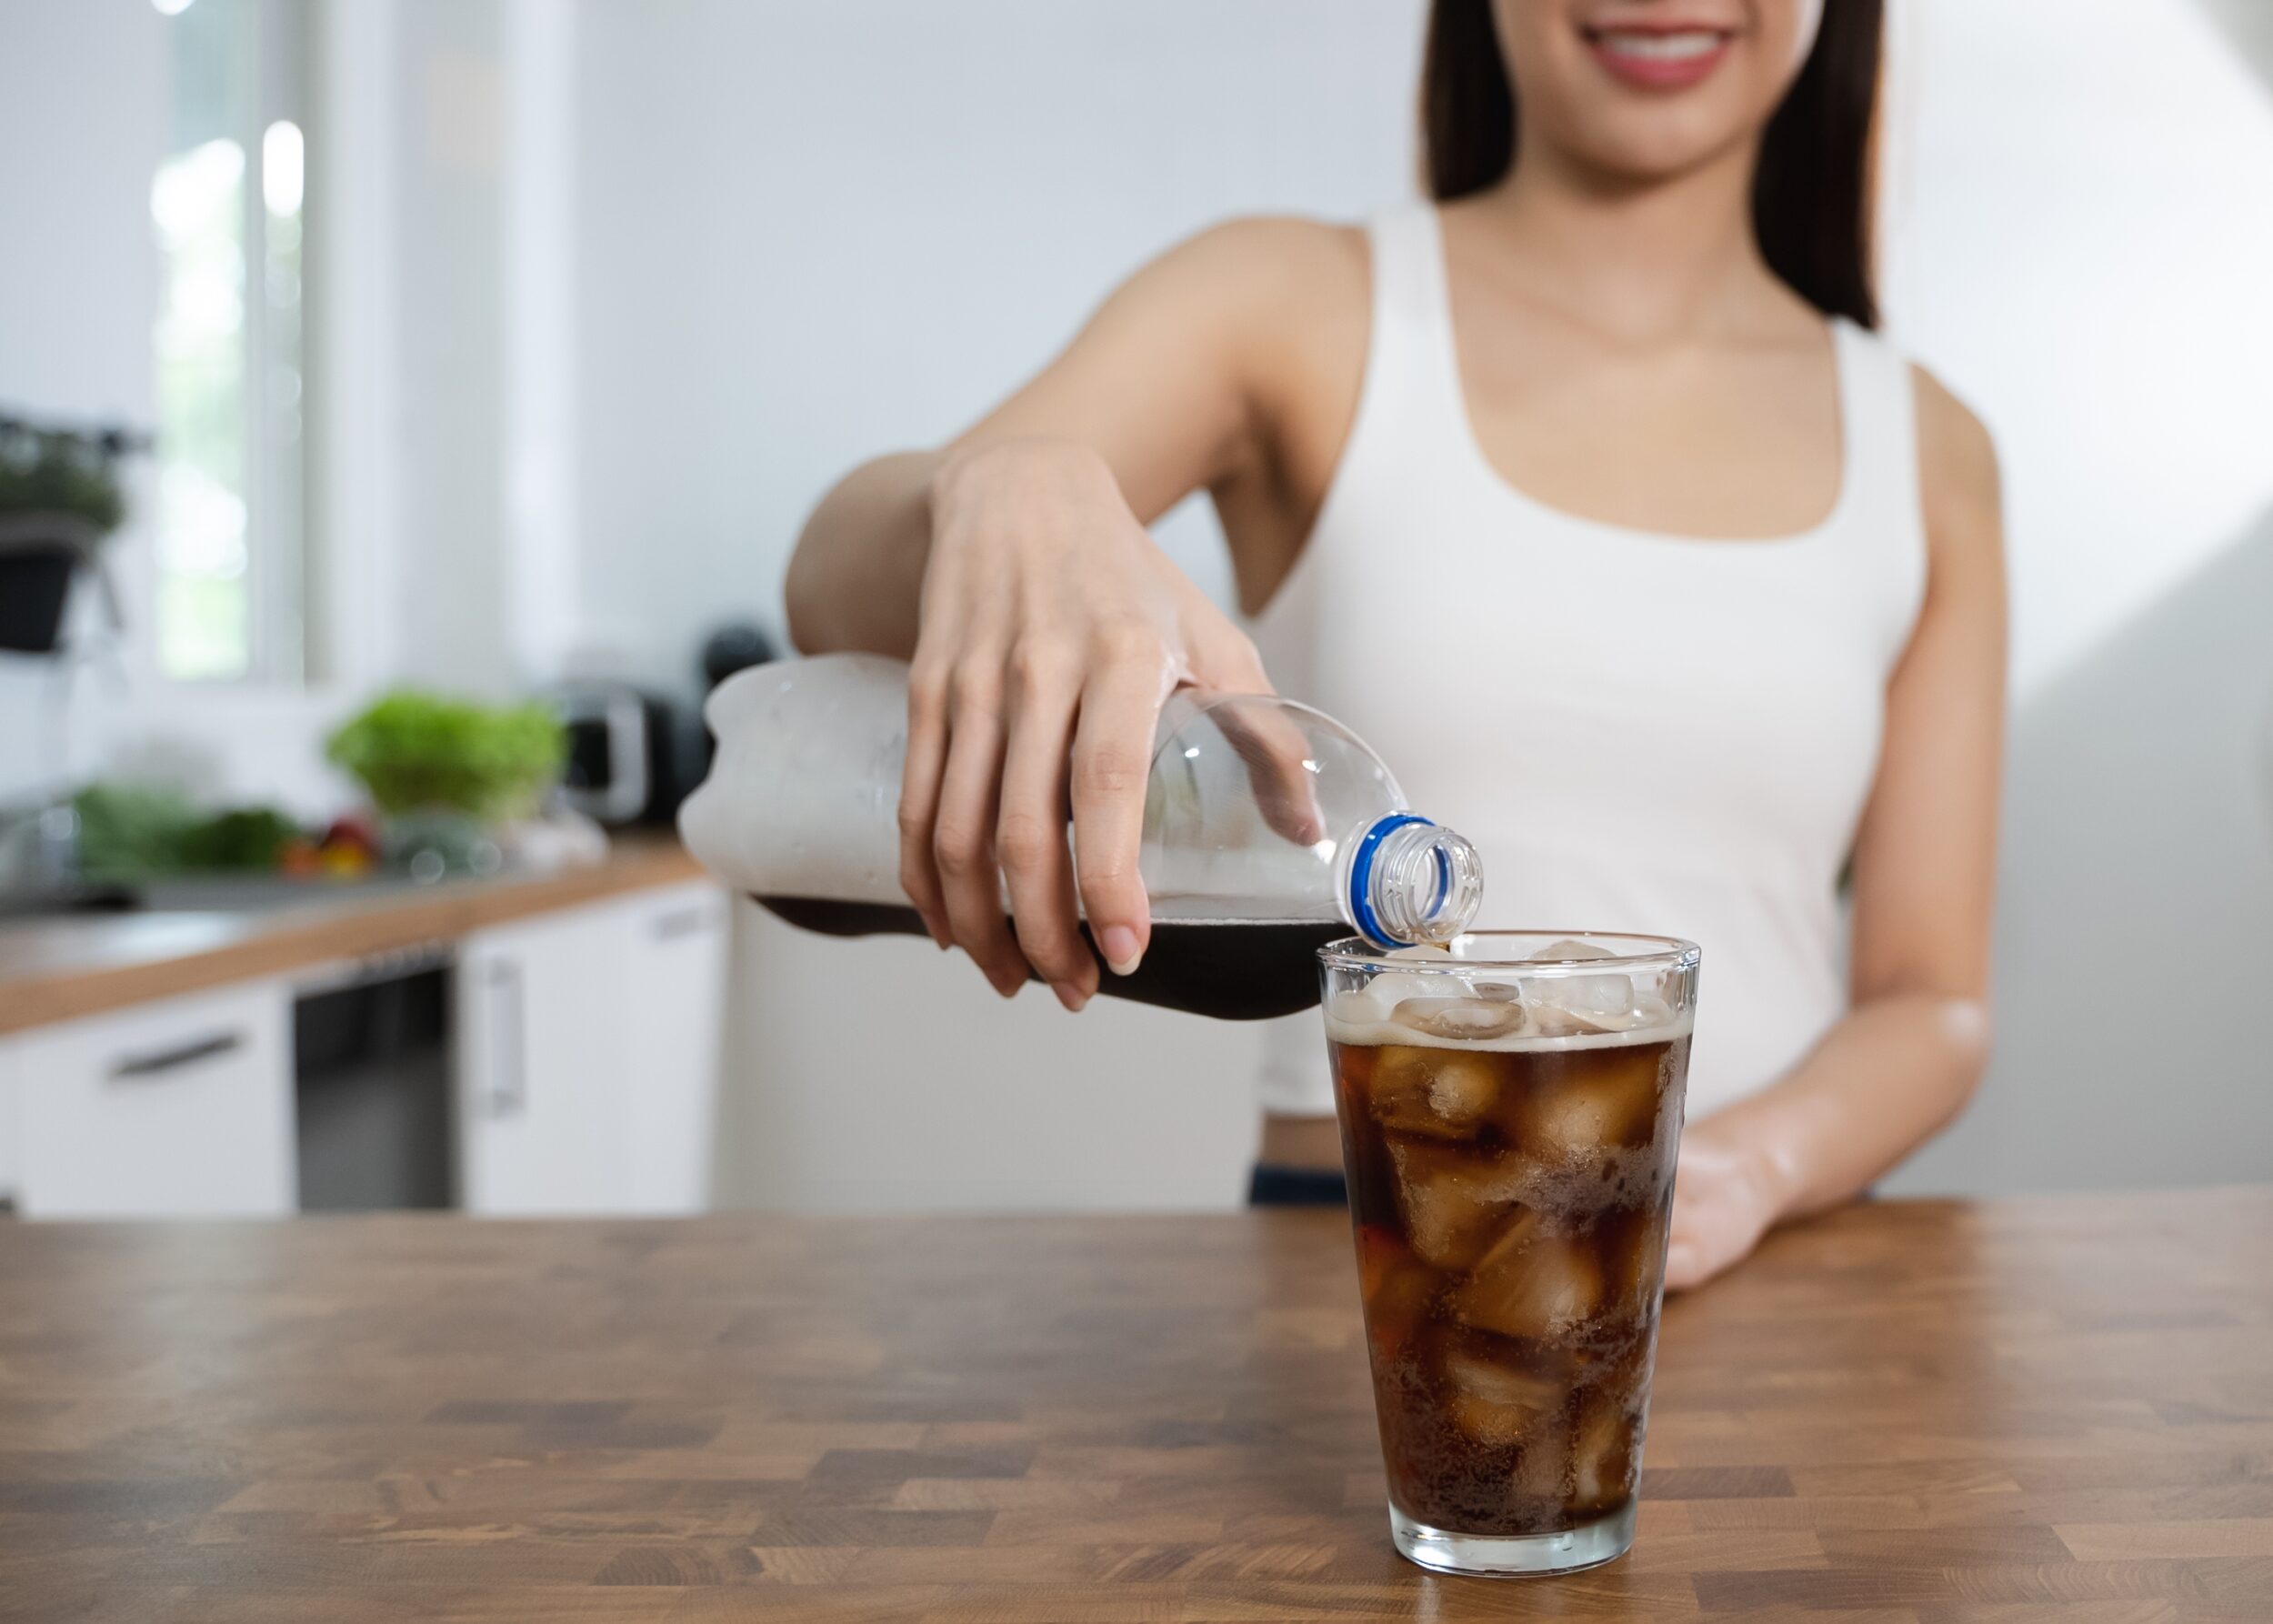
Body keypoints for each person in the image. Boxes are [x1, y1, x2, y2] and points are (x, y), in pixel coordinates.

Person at [784, 0, 2002, 1289]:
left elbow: (1931, 997)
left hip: (1784, 1270)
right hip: (1363, 1269)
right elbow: (825, 586)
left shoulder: (1930, 447)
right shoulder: (1288, 310)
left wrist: (1747, 1169)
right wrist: (1004, 487)